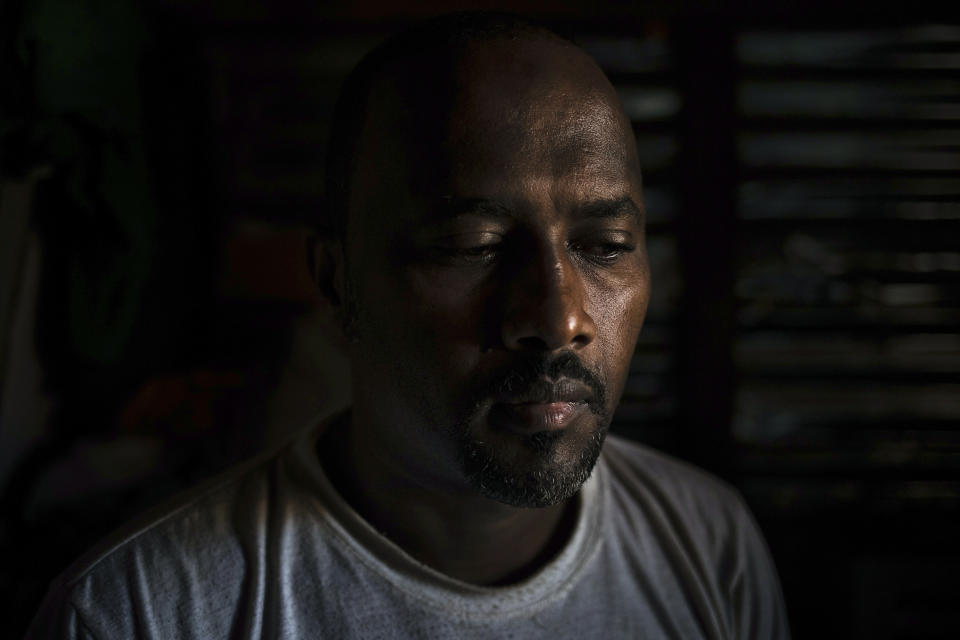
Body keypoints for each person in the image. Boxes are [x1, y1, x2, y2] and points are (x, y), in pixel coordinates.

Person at [26, 12, 789, 639]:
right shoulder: (143, 612)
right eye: (473, 247)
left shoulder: (707, 545)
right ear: (338, 281)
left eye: (605, 247)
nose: (558, 319)